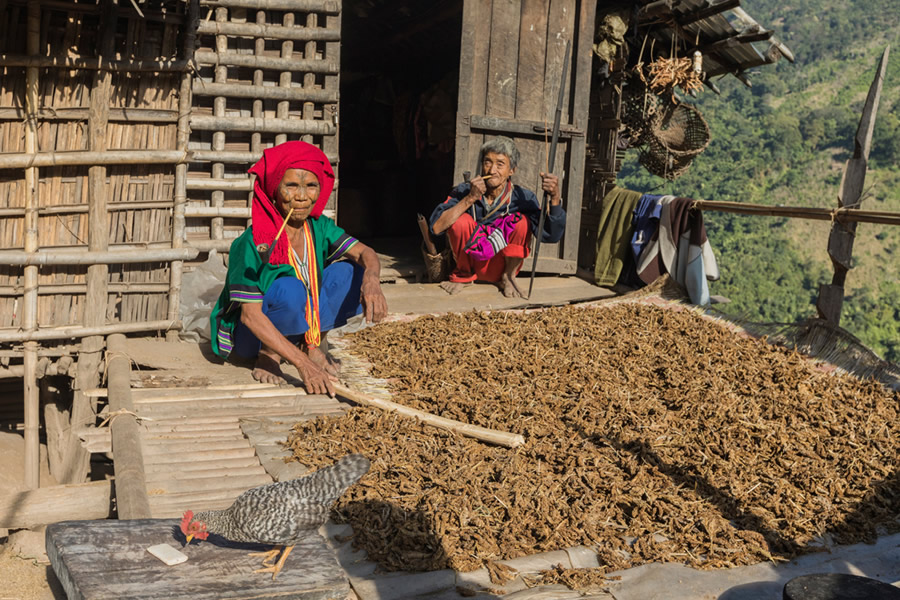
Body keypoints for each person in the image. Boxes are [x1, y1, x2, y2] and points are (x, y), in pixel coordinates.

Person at [209, 141, 387, 396]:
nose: (302, 196)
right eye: (291, 186)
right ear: (275, 189)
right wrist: (303, 367)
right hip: (252, 337)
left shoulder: (318, 227)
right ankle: (269, 355)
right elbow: (249, 315)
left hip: (300, 324)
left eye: (310, 186)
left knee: (352, 272)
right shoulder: (251, 242)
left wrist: (372, 282)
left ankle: (312, 346)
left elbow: (366, 253)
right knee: (289, 288)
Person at [429, 136, 566, 298]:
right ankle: (463, 276)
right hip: (470, 263)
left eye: (500, 164)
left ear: (511, 170)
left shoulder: (523, 198)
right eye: (487, 162)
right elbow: (436, 227)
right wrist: (470, 199)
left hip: (500, 266)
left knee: (521, 222)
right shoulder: (464, 191)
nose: (492, 170)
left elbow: (550, 236)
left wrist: (555, 197)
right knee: (461, 222)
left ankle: (508, 277)